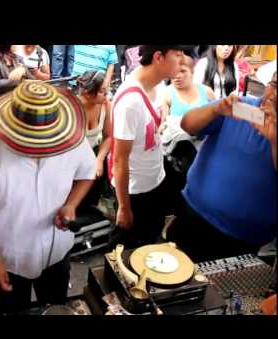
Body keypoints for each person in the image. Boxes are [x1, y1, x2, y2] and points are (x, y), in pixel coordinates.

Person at [0, 81, 96, 314]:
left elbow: (87, 173)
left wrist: (70, 204)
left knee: (54, 308)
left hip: (57, 255)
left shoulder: (72, 141)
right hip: (7, 262)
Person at [166, 72, 277, 262]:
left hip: (243, 238)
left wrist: (274, 140)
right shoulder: (243, 107)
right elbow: (188, 125)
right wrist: (215, 109)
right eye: (274, 84)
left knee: (220, 289)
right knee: (170, 274)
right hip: (193, 215)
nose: (275, 94)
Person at [108, 45, 186, 250]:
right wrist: (124, 207)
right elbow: (119, 159)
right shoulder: (130, 101)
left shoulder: (158, 86)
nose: (183, 61)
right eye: (177, 55)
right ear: (159, 57)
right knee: (124, 250)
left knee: (149, 243)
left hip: (156, 180)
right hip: (135, 192)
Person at [160, 55, 215, 216]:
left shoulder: (207, 92)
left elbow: (218, 118)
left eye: (182, 71)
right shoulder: (167, 94)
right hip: (179, 160)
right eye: (174, 72)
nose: (177, 76)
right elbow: (162, 122)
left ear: (192, 71)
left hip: (204, 153)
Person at [76, 70, 112, 209]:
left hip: (93, 153)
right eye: (103, 91)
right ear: (87, 94)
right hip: (74, 158)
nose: (107, 95)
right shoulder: (74, 108)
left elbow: (108, 136)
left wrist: (99, 160)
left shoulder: (105, 105)